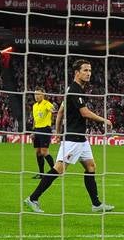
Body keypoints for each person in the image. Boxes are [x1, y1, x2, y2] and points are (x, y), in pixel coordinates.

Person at [25, 60, 115, 213]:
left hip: (80, 138)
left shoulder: (73, 89)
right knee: (59, 169)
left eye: (90, 70)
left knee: (91, 166)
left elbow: (60, 112)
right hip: (73, 138)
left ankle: (96, 204)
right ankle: (33, 198)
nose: (88, 73)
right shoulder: (74, 90)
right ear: (76, 72)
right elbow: (84, 113)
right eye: (85, 70)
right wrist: (104, 120)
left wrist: (59, 132)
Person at [31, 89, 57, 178]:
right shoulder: (34, 106)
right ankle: (41, 173)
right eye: (35, 94)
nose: (36, 96)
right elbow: (35, 119)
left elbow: (53, 110)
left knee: (44, 152)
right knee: (38, 152)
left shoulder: (47, 103)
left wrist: (53, 110)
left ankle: (55, 171)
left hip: (45, 129)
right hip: (37, 130)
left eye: (38, 94)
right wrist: (33, 131)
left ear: (43, 95)